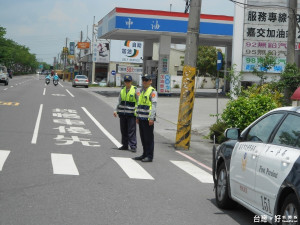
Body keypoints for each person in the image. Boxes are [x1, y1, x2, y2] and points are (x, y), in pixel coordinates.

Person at [133, 74, 157, 162]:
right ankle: (144, 154)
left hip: (148, 119)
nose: (144, 82)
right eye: (143, 80)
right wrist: (137, 116)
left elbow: (154, 106)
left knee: (149, 138)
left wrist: (151, 118)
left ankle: (149, 156)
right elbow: (139, 105)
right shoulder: (142, 91)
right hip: (141, 118)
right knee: (143, 138)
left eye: (146, 80)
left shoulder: (152, 91)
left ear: (150, 81)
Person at [113, 75, 139, 152]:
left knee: (131, 131)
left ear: (131, 82)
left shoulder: (135, 90)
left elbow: (138, 101)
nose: (127, 83)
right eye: (126, 81)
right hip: (122, 114)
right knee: (123, 130)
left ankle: (133, 146)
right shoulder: (122, 90)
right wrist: (115, 110)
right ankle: (125, 145)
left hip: (131, 114)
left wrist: (136, 112)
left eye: (129, 81)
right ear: (124, 82)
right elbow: (119, 101)